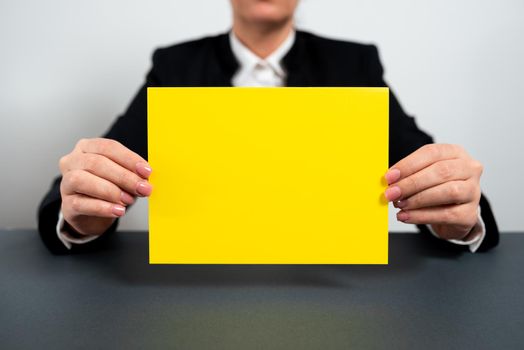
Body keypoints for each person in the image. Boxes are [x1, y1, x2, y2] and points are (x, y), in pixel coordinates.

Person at [38, 0, 499, 254]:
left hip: (333, 292)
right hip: (196, 290)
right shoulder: (176, 65)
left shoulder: (352, 63)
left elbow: (428, 177)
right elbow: (92, 179)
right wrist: (81, 214)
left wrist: (459, 217)